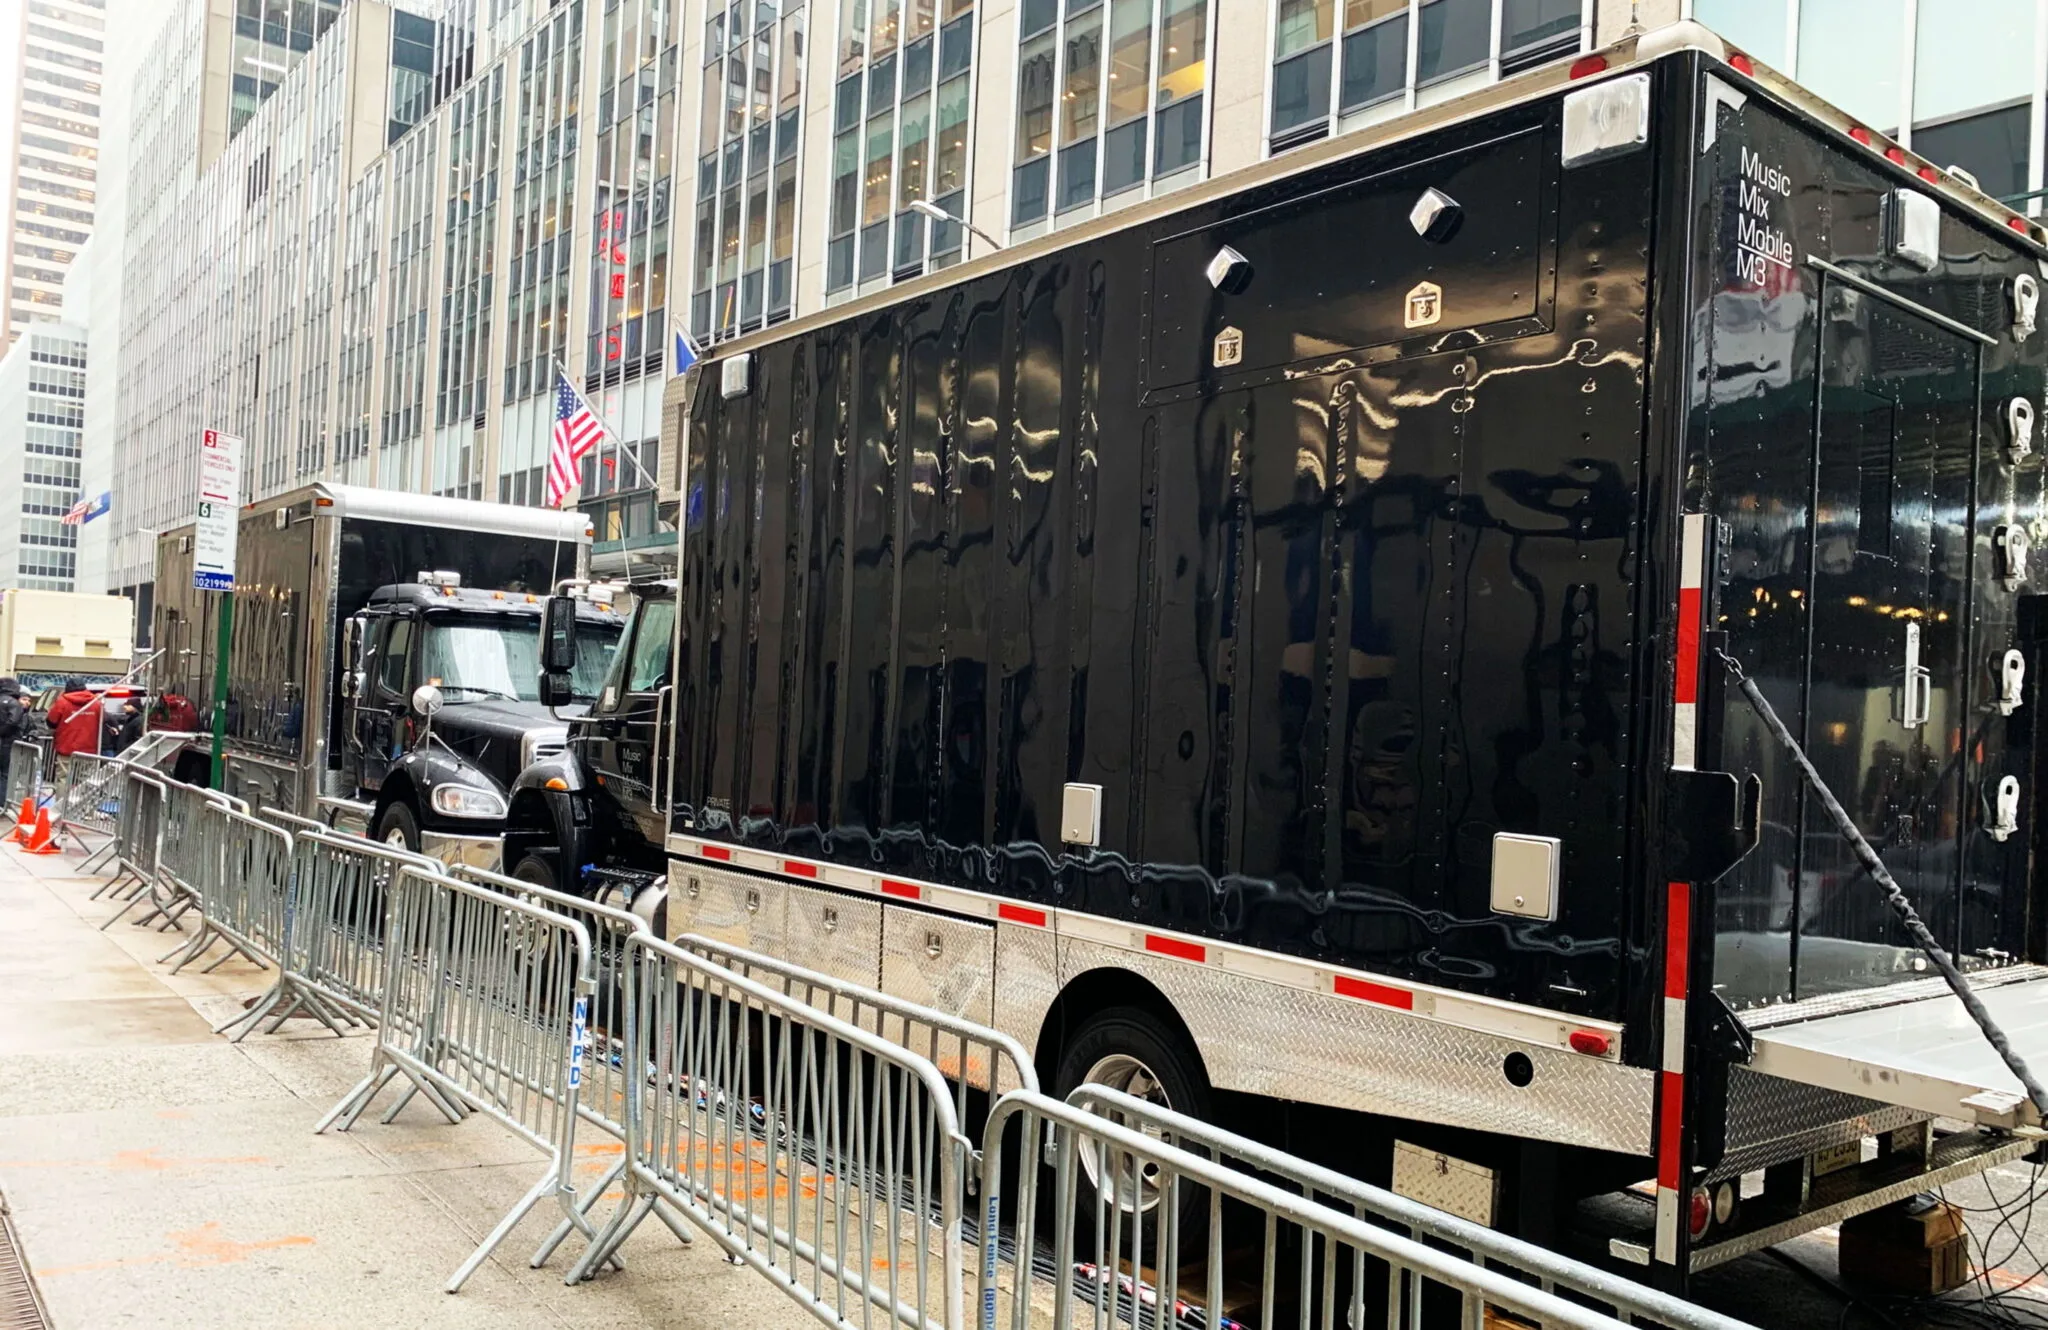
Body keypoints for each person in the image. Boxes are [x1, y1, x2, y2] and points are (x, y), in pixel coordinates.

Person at [49, 679, 102, 757]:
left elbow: (51, 722)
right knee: (87, 769)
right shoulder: (96, 703)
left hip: (66, 749)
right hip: (89, 751)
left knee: (65, 768)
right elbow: (103, 722)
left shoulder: (62, 702)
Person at [0, 678, 25, 792]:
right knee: (6, 774)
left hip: (6, 740)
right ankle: (1, 803)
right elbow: (14, 721)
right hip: (8, 742)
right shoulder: (14, 703)